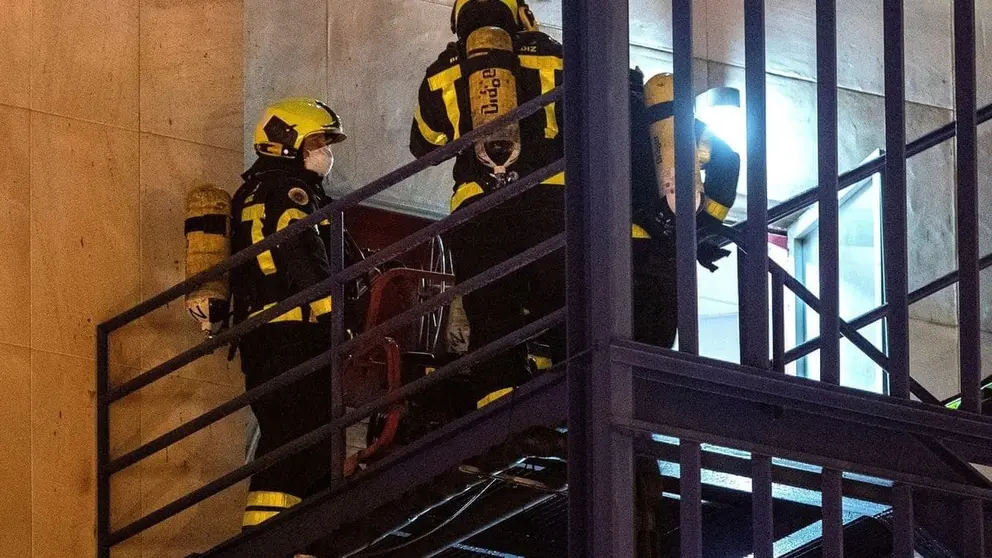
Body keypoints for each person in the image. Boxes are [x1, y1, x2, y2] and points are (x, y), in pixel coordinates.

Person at [409, 0, 565, 409]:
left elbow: (423, 144)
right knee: (561, 297)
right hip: (546, 199)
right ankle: (568, 394)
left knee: (492, 305)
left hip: (477, 205)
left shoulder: (443, 67)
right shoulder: (548, 51)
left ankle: (499, 407)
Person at [229, 97, 345, 533]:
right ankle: (266, 539)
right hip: (291, 334)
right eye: (317, 141)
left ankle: (301, 535)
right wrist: (335, 316)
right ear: (286, 143)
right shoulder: (290, 193)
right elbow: (302, 255)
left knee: (305, 442)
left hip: (272, 337)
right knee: (292, 440)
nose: (325, 152)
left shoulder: (262, 191)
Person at [628, 67, 741, 349]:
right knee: (654, 346)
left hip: (608, 246)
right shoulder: (663, 118)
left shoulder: (591, 114)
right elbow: (728, 160)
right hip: (662, 245)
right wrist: (703, 224)